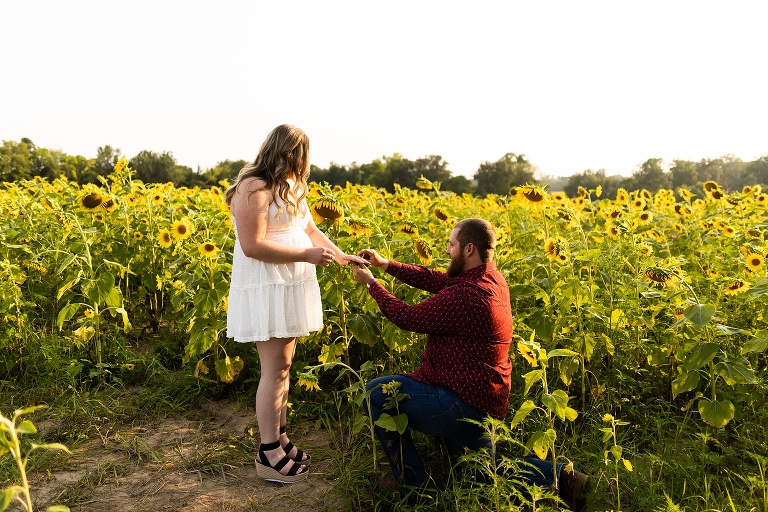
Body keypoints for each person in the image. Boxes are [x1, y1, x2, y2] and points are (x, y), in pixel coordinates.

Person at [350, 218, 590, 510]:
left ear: (469, 248)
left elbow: (408, 318)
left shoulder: (467, 296)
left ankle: (411, 480)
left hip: (459, 402)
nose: (447, 249)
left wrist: (371, 284)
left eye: (452, 244)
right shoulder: (491, 279)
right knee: (477, 473)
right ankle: (563, 477)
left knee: (376, 394)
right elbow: (437, 279)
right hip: (483, 398)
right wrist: (385, 264)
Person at [225, 124, 368, 484]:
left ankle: (281, 437)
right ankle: (268, 452)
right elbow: (252, 245)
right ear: (282, 152)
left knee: (284, 365)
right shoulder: (254, 186)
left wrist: (341, 255)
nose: (300, 163)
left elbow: (310, 231)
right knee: (273, 369)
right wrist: (307, 255)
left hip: (288, 282)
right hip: (266, 284)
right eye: (296, 155)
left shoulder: (290, 186)